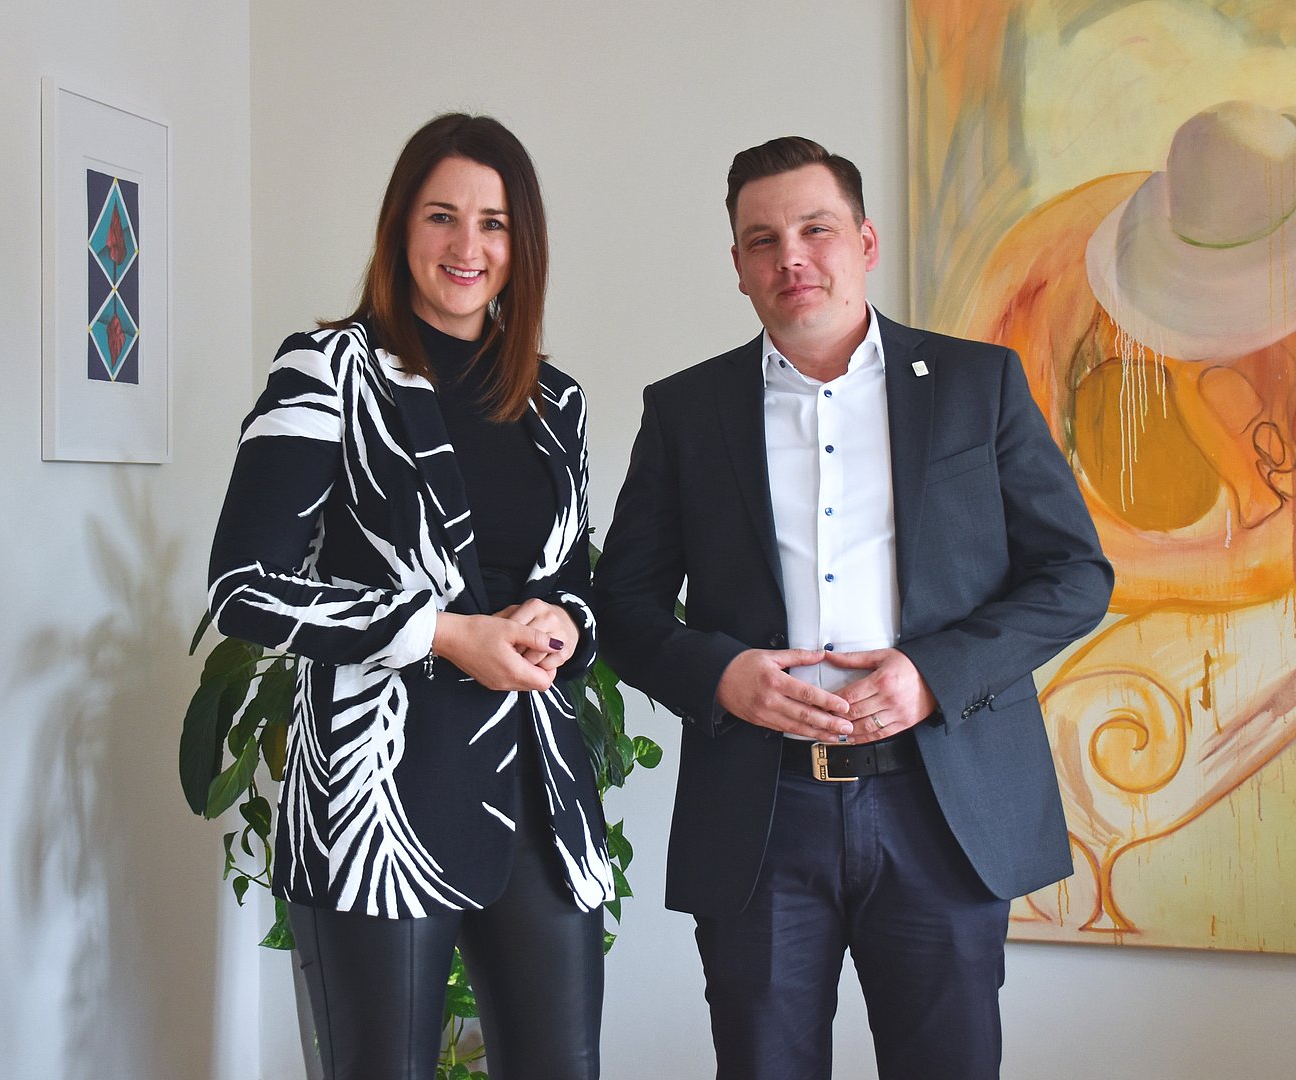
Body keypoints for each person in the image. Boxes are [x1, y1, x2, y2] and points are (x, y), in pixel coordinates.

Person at [591, 136, 1114, 1080]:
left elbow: (1074, 575)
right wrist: (721, 675)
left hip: (940, 803)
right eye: (762, 240)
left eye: (815, 229)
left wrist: (933, 675)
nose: (790, 256)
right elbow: (622, 603)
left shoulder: (978, 384)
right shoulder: (684, 412)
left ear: (865, 242)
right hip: (760, 811)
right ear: (738, 266)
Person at [208, 113, 611, 1080]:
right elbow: (243, 589)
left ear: (521, 244)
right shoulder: (329, 369)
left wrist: (566, 621)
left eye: (493, 223)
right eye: (441, 216)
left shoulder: (555, 399)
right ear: (400, 227)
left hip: (539, 798)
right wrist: (439, 634)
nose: (467, 246)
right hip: (377, 803)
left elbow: (573, 581)